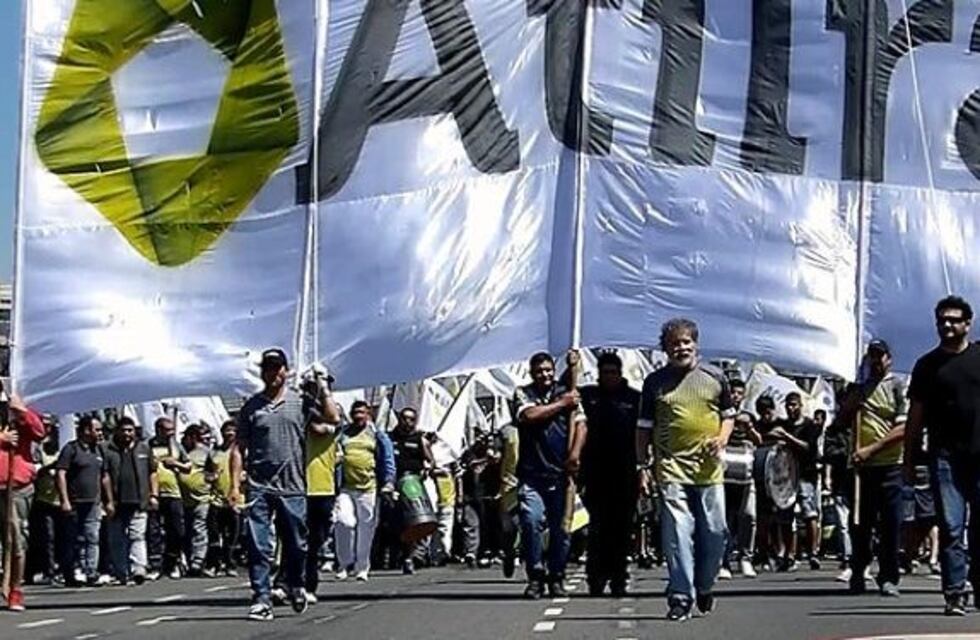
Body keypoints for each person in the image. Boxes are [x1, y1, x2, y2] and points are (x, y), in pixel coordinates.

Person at [637, 318, 735, 622]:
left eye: (685, 342)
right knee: (677, 532)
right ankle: (680, 596)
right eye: (674, 344)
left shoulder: (715, 376)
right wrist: (643, 466)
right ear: (665, 349)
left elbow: (729, 415)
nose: (681, 348)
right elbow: (643, 428)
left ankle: (704, 585)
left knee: (715, 531)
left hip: (709, 469)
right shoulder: (654, 383)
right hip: (670, 467)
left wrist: (721, 438)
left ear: (696, 344)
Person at [232, 348, 340, 621]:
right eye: (268, 368)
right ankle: (261, 597)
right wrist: (234, 486)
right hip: (259, 484)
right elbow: (238, 448)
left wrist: (323, 387)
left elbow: (332, 418)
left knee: (296, 542)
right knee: (259, 544)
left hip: (292, 485)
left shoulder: (300, 402)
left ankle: (296, 582)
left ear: (286, 370)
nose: (273, 373)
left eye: (277, 367)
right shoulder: (251, 407)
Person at [904, 295, 980, 616]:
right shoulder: (927, 365)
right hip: (944, 458)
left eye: (953, 320)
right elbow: (915, 417)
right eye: (942, 320)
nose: (947, 325)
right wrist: (908, 459)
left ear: (967, 324)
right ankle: (954, 593)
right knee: (951, 526)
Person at [511, 352, 588, 600]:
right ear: (532, 373)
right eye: (539, 371)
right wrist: (562, 404)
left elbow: (581, 424)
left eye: (547, 370)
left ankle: (557, 575)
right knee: (531, 521)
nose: (544, 375)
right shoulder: (523, 393)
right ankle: (535, 575)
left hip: (561, 474)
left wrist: (574, 454)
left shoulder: (568, 391)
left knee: (562, 529)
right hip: (532, 474)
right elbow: (529, 416)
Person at [846, 340, 907, 597]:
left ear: (888, 359)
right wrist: (852, 402)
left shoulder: (898, 386)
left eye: (880, 356)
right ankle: (858, 571)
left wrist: (871, 449)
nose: (876, 361)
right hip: (863, 469)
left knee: (890, 525)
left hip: (890, 465)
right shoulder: (859, 388)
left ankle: (889, 576)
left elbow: (902, 428)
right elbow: (841, 420)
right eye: (872, 356)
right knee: (860, 524)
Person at [580, 350, 640, 596]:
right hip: (594, 473)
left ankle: (618, 578)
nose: (609, 377)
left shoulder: (634, 399)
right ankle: (595, 578)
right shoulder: (588, 396)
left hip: (625, 473)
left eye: (613, 372)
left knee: (622, 530)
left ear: (620, 373)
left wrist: (644, 470)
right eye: (605, 372)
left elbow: (642, 434)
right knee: (597, 529)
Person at [334, 400, 395, 582]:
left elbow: (388, 459)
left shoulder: (377, 435)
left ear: (368, 415)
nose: (358, 416)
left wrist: (389, 482)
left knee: (366, 529)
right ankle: (344, 564)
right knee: (343, 522)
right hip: (345, 487)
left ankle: (362, 567)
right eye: (355, 413)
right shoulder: (342, 433)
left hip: (369, 488)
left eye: (362, 412)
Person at [0, 393, 46, 611]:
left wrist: (21, 412)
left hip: (17, 487)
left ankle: (15, 589)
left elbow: (39, 432)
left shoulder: (20, 411)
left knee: (16, 540)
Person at [56, 415, 113, 587]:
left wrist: (109, 500)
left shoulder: (99, 450)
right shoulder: (71, 449)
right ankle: (73, 572)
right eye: (97, 430)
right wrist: (64, 500)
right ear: (87, 430)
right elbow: (61, 473)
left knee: (92, 537)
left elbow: (104, 476)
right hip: (74, 502)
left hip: (93, 502)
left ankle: (91, 572)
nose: (100, 433)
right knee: (74, 539)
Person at [767, 392, 821, 571]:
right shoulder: (783, 424)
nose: (791, 408)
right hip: (786, 476)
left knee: (809, 512)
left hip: (805, 474)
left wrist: (787, 437)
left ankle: (813, 552)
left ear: (800, 405)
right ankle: (788, 554)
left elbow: (808, 447)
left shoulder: (810, 426)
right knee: (785, 515)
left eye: (794, 405)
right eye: (788, 405)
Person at [104, 416, 157, 585]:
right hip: (117, 502)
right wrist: (109, 501)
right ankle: (122, 572)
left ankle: (138, 569)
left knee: (137, 536)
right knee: (117, 539)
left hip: (139, 500)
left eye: (130, 430)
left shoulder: (144, 448)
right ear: (117, 431)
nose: (127, 434)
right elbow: (105, 476)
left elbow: (152, 472)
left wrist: (154, 495)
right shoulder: (108, 450)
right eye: (124, 430)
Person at [304, 376, 340, 600]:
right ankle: (290, 582)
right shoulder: (297, 412)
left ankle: (309, 583)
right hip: (298, 485)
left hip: (322, 487)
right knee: (294, 537)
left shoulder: (333, 413)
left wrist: (323, 389)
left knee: (315, 540)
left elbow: (323, 426)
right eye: (310, 387)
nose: (313, 391)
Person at [389, 407, 434, 573]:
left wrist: (427, 469)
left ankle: (411, 556)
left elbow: (430, 461)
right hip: (394, 483)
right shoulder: (389, 438)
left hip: (413, 484)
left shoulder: (419, 439)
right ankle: (396, 555)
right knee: (396, 522)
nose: (407, 422)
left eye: (411, 419)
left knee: (415, 521)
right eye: (404, 418)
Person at [148, 417, 190, 580]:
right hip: (155, 493)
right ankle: (156, 565)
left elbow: (188, 466)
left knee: (177, 531)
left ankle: (172, 562)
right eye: (167, 430)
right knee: (154, 531)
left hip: (174, 493)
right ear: (158, 430)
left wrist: (175, 464)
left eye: (172, 430)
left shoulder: (176, 446)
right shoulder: (148, 445)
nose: (171, 434)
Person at [720, 411, 761, 579]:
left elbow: (760, 441)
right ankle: (723, 562)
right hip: (725, 485)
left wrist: (750, 427)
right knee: (724, 523)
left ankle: (745, 558)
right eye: (736, 424)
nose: (738, 428)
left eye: (742, 425)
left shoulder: (750, 444)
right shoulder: (723, 440)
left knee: (749, 517)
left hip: (746, 485)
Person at [28, 416, 63, 586]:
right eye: (45, 426)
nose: (47, 429)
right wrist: (50, 467)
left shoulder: (60, 445)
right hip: (42, 498)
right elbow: (34, 471)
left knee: (61, 537)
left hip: (59, 498)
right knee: (47, 537)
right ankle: (48, 570)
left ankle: (59, 568)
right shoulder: (36, 447)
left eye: (50, 426)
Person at [179, 423, 215, 577]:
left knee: (199, 528)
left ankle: (198, 560)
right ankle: (187, 559)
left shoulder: (205, 452)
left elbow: (213, 470)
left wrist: (209, 479)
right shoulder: (180, 451)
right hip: (182, 498)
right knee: (185, 531)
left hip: (202, 497)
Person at [208, 420, 240, 577]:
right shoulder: (214, 452)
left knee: (232, 536)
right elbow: (206, 473)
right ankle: (215, 564)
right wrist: (210, 477)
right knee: (215, 534)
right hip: (216, 499)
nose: (229, 433)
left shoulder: (242, 451)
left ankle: (230, 565)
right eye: (227, 430)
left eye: (232, 430)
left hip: (235, 500)